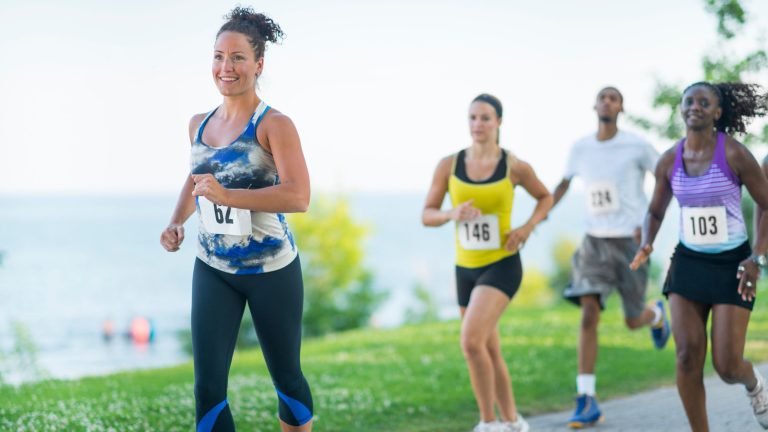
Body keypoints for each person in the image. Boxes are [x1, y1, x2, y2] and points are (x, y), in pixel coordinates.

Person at [160, 7, 313, 432]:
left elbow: (299, 196)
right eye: (218, 56)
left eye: (238, 57)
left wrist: (230, 196)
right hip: (213, 267)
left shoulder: (275, 125)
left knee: (287, 380)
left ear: (258, 64)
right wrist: (176, 222)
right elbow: (197, 178)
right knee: (207, 390)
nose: (225, 67)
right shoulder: (198, 124)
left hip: (271, 270)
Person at [630, 82, 768, 431]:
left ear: (717, 112)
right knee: (686, 356)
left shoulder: (734, 153)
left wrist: (757, 257)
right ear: (681, 108)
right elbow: (655, 211)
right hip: (689, 263)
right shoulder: (669, 160)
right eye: (689, 101)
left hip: (733, 266)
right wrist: (647, 242)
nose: (695, 107)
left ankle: (755, 384)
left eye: (704, 103)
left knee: (727, 366)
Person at [422, 93, 553, 432]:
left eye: (484, 118)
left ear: (499, 122)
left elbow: (545, 197)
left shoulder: (514, 166)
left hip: (502, 264)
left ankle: (488, 423)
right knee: (488, 348)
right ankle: (513, 422)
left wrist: (527, 227)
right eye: (472, 117)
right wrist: (451, 213)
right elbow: (427, 214)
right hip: (465, 268)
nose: (477, 124)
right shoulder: (449, 165)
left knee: (470, 342)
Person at [551, 86, 670, 428]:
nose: (606, 101)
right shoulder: (580, 148)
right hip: (594, 243)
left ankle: (654, 314)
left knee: (632, 320)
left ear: (621, 108)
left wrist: (648, 224)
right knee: (589, 312)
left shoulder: (636, 145)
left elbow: (665, 177)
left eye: (613, 98)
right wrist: (538, 216)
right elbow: (563, 184)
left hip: (630, 242)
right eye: (602, 97)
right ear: (594, 106)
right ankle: (586, 398)